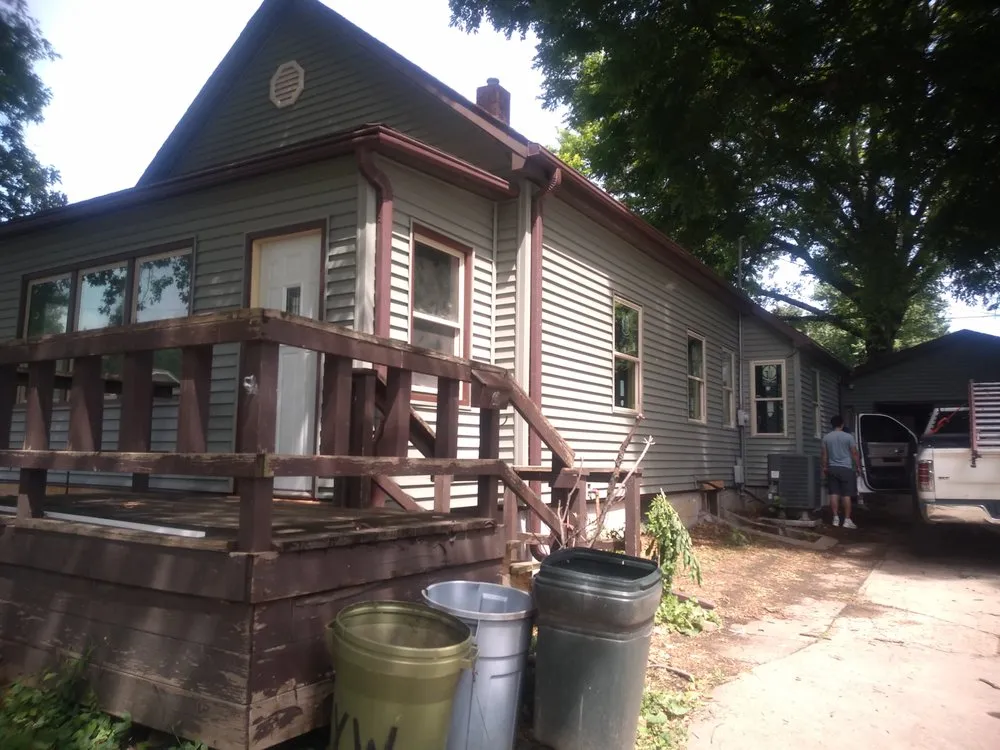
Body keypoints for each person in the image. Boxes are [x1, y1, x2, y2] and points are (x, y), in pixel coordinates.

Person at [821, 415, 860, 529]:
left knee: (834, 493)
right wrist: (858, 466)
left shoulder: (826, 437)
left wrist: (824, 467)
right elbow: (854, 453)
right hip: (846, 469)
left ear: (832, 425)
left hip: (832, 468)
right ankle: (847, 520)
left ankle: (835, 518)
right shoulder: (848, 437)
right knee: (846, 495)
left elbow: (824, 455)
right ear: (842, 424)